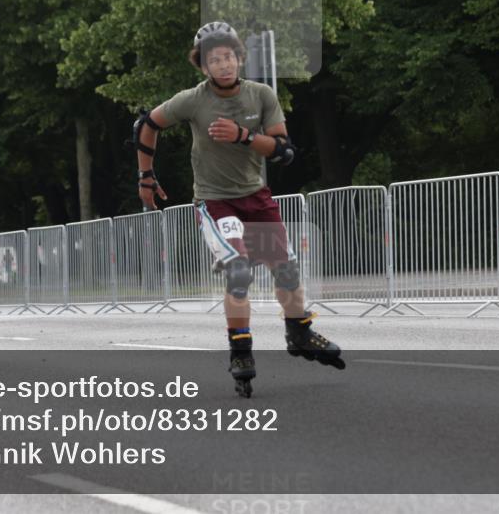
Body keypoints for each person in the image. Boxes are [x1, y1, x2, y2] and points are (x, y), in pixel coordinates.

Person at [132, 21, 344, 397]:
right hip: (216, 201)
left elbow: (285, 152)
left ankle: (299, 332)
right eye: (215, 60)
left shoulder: (261, 96)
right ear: (203, 66)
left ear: (240, 59)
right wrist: (146, 177)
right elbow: (147, 125)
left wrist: (244, 135)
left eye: (229, 57)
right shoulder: (193, 100)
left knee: (288, 272)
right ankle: (241, 350)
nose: (224, 65)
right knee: (239, 270)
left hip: (256, 197)